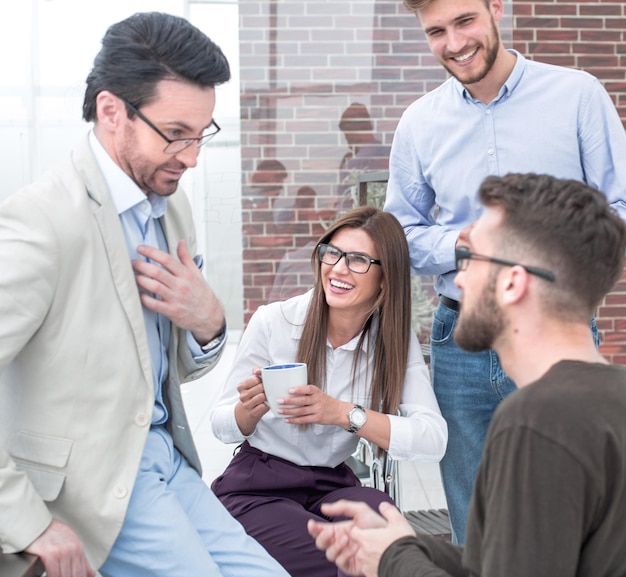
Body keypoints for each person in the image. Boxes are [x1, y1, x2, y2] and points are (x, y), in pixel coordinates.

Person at [0, 12, 289, 577]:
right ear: (112, 112)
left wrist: (208, 324)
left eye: (202, 133)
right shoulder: (43, 221)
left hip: (165, 458)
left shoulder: (171, 209)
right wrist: (24, 521)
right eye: (175, 134)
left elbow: (157, 370)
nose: (192, 156)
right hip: (92, 480)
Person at [383, 0, 626, 543]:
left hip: (553, 331)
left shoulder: (577, 95)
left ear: (496, 8)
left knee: (569, 504)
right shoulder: (419, 123)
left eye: (465, 21)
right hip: (459, 334)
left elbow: (619, 208)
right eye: (436, 31)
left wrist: (543, 256)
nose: (453, 42)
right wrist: (466, 246)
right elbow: (402, 235)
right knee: (474, 519)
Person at [309, 172, 626, 577]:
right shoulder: (610, 400)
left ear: (512, 282)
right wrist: (407, 547)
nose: (457, 279)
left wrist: (392, 562)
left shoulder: (537, 421)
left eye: (469, 258)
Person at [210, 206, 447, 576]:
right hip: (258, 485)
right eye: (332, 253)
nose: (337, 268)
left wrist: (342, 413)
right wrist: (247, 412)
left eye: (357, 260)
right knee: (338, 558)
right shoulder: (275, 321)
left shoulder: (393, 342)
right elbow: (221, 424)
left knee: (388, 538)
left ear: (386, 278)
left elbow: (433, 438)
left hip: (333, 482)